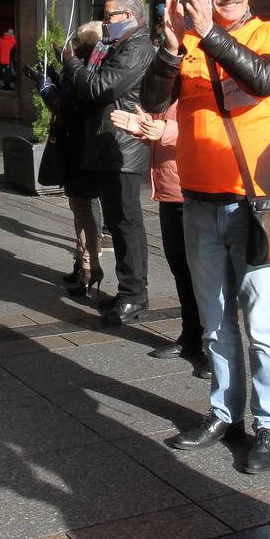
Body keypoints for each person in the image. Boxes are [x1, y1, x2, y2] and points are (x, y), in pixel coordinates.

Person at [140, 0, 270, 475]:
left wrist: (208, 33)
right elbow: (154, 100)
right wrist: (167, 45)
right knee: (214, 321)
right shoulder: (184, 41)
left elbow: (264, 80)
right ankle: (225, 412)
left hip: (254, 203)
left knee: (262, 323)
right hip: (198, 202)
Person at [57, 0, 154, 324]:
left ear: (128, 17)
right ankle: (128, 291)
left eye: (109, 16)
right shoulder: (119, 46)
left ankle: (134, 296)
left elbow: (101, 89)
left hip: (122, 148)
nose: (104, 22)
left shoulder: (137, 48)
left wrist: (71, 63)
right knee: (118, 223)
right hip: (109, 147)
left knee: (127, 224)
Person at [111, 100, 208, 376]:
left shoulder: (199, 78)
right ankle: (190, 338)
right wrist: (145, 130)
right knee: (181, 271)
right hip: (170, 192)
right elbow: (164, 134)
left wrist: (164, 129)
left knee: (204, 277)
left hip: (194, 191)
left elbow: (207, 126)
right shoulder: (168, 88)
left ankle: (215, 351)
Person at [37, 22, 106, 298]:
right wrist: (54, 75)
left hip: (84, 149)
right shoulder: (81, 68)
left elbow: (67, 105)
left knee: (85, 209)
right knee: (78, 208)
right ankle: (85, 263)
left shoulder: (89, 70)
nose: (72, 47)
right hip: (75, 147)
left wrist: (47, 89)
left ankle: (90, 266)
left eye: (77, 43)